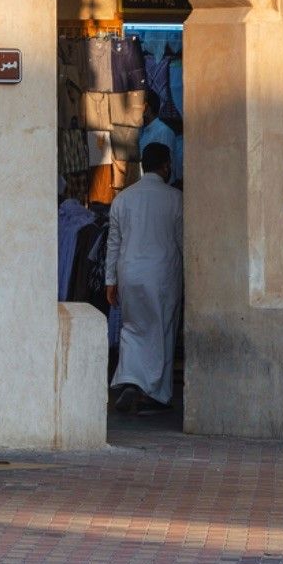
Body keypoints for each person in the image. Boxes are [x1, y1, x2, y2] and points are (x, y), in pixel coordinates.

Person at [106, 142, 183, 412]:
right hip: (162, 274)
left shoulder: (122, 199)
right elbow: (183, 242)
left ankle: (130, 380)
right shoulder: (175, 199)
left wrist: (110, 281)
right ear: (165, 166)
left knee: (132, 328)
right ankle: (154, 393)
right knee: (161, 330)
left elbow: (113, 243)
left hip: (129, 273)